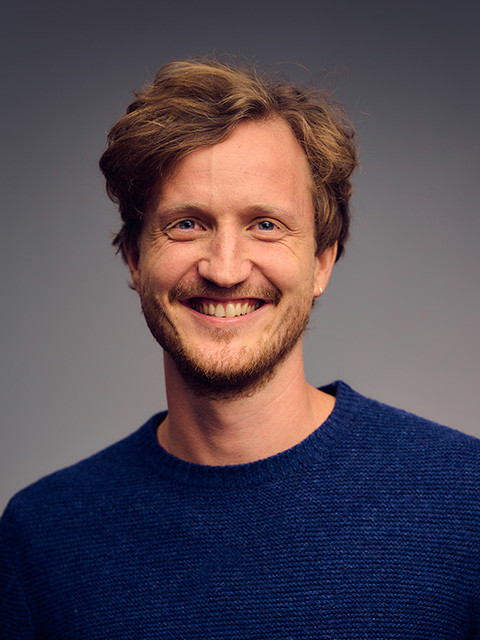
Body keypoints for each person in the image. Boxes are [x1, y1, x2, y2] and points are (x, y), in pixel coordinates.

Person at [1, 58, 479, 639]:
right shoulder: (41, 537)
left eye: (266, 225)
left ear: (321, 262)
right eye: (187, 224)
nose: (225, 270)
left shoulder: (464, 499)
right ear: (134, 257)